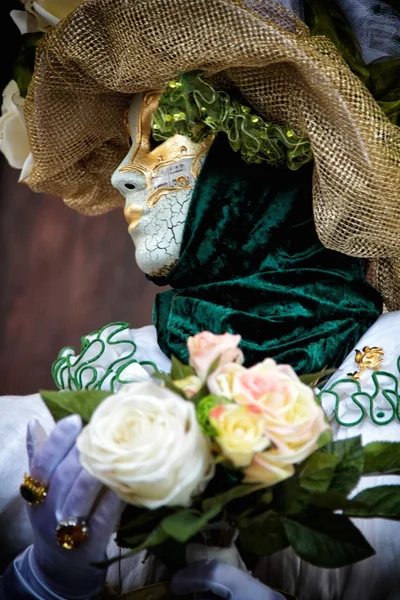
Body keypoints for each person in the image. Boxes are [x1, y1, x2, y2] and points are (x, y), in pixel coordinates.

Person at [1, 0, 400, 598]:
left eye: (159, 135)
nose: (121, 176)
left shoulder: (389, 363)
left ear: (261, 160)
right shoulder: (100, 384)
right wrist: (41, 580)